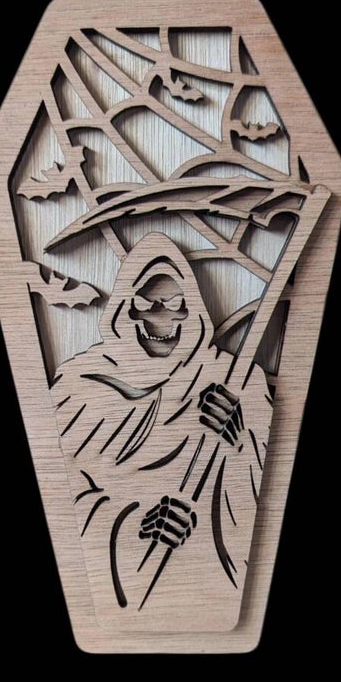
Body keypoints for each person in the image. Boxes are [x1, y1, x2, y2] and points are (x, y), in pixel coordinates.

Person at [51, 233, 272, 631]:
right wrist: (133, 521)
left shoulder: (233, 381)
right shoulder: (78, 386)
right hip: (118, 586)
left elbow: (268, 485)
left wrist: (239, 442)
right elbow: (61, 491)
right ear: (123, 307)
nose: (162, 317)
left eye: (175, 304)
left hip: (206, 585)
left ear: (195, 309)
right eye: (146, 303)